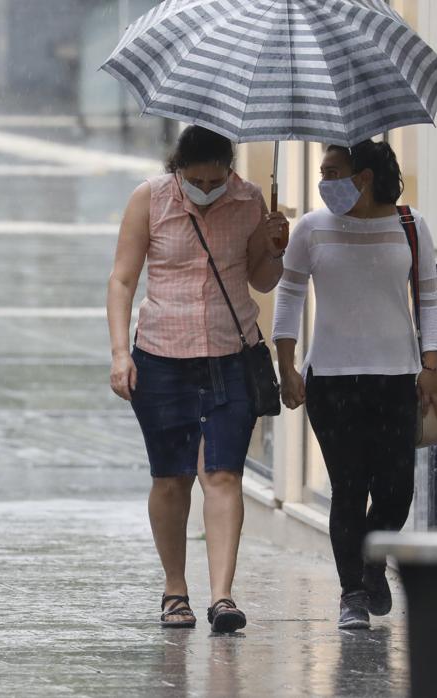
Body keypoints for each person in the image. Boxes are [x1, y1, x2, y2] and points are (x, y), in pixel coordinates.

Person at [107, 125, 289, 633]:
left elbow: (262, 279)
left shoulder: (249, 200)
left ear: (230, 170)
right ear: (177, 170)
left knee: (225, 474)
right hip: (162, 357)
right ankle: (174, 590)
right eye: (196, 179)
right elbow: (122, 279)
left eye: (215, 179)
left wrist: (275, 247)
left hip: (231, 355)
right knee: (171, 477)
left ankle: (224, 597)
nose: (206, 189)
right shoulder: (150, 199)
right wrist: (121, 352)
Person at [272, 140, 437, 630]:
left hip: (397, 379)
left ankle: (373, 563)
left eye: (331, 172)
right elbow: (287, 297)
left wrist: (430, 363)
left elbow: (429, 300)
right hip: (332, 379)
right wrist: (287, 366)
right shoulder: (310, 228)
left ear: (363, 176)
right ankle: (352, 593)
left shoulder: (410, 226)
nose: (324, 181)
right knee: (348, 488)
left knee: (396, 490)